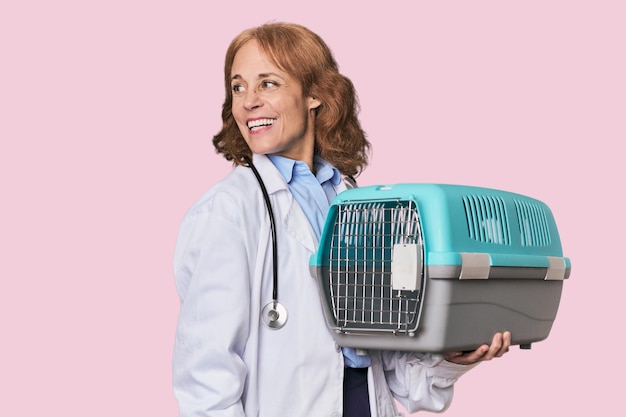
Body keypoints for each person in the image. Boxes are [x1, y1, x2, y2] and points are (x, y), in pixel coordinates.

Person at [172, 22, 511, 417]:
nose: (248, 101)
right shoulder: (227, 212)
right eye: (238, 86)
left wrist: (452, 356)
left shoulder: (354, 202)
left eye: (268, 84)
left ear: (315, 94)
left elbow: (397, 369)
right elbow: (206, 378)